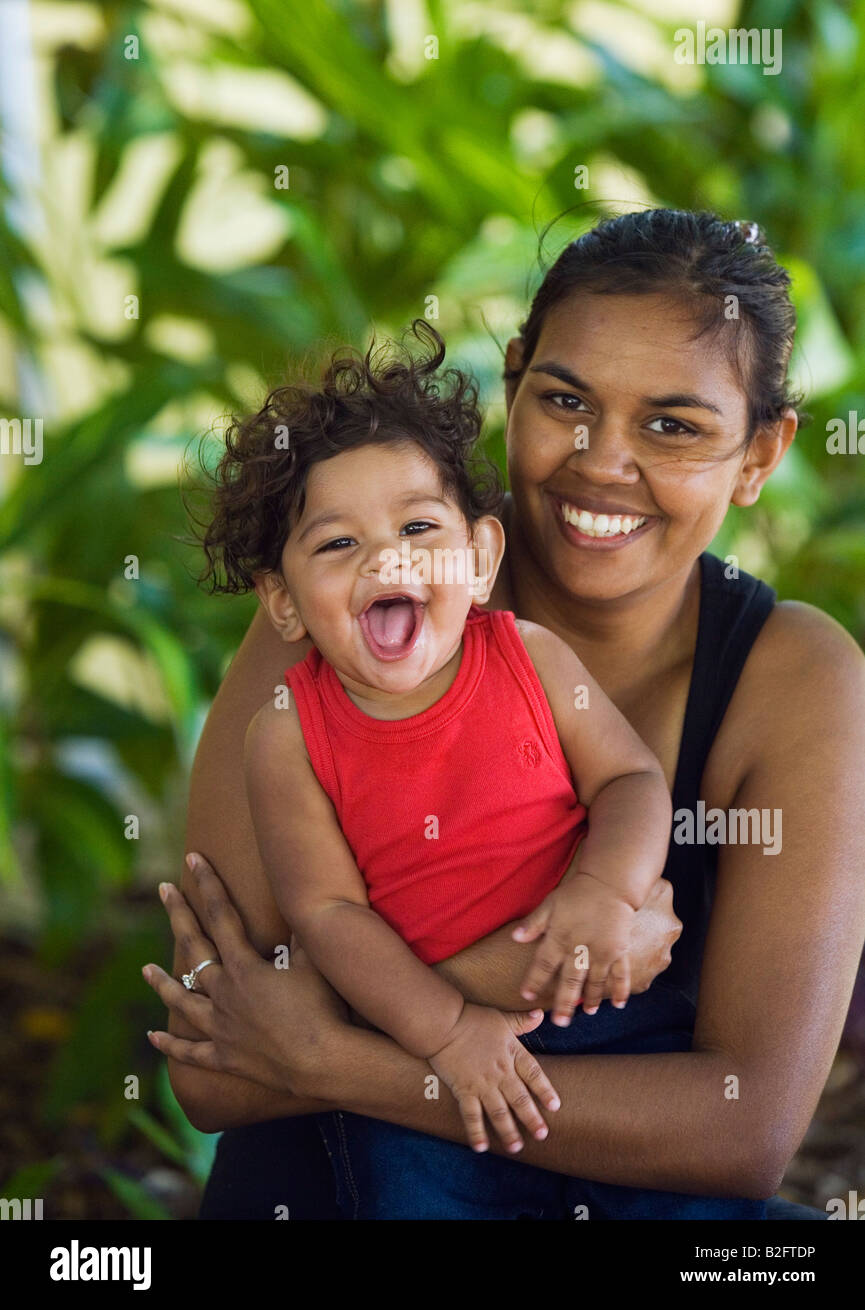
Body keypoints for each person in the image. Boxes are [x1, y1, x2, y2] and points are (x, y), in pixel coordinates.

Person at [143, 209, 865, 1220]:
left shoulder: (792, 678)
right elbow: (220, 1073)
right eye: (565, 399)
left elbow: (742, 1133)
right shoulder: (342, 618)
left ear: (761, 453)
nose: (602, 461)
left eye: (674, 425)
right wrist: (536, 970)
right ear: (514, 379)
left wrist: (329, 1050)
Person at [195, 338, 673, 1205]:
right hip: (416, 1045)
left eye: (419, 528)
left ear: (480, 559)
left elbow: (631, 783)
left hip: (607, 1006)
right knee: (409, 1191)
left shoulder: (529, 658)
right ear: (284, 604)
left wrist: (606, 892)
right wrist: (449, 1033)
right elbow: (328, 913)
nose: (390, 560)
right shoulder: (287, 734)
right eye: (338, 543)